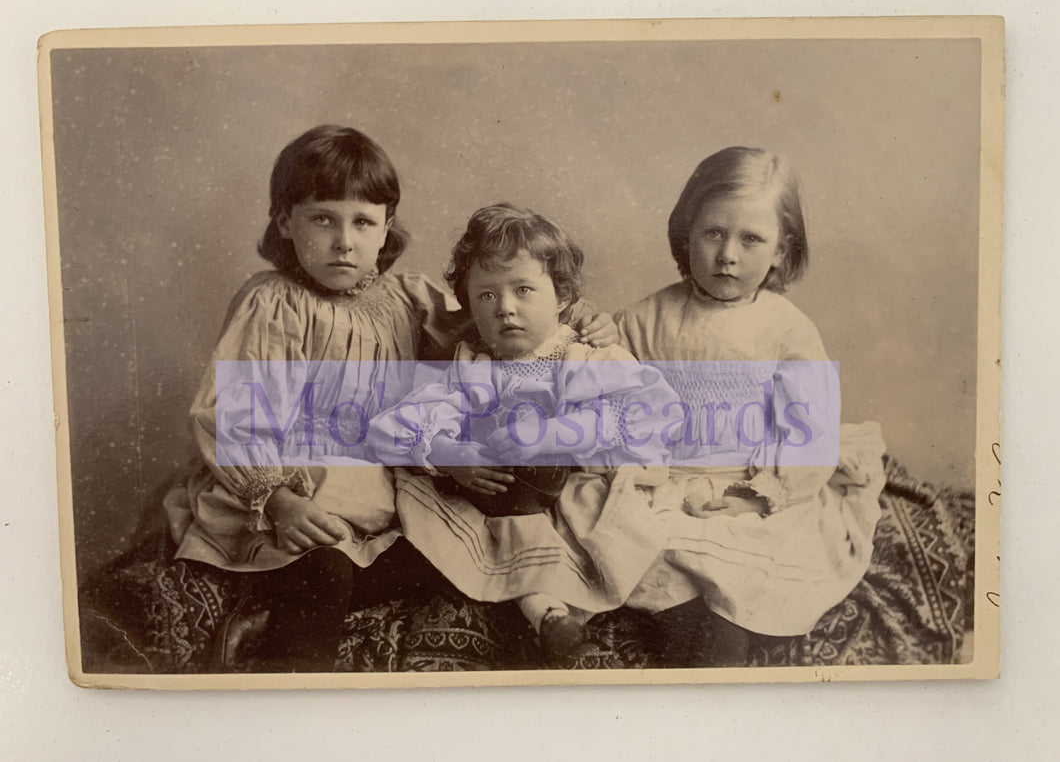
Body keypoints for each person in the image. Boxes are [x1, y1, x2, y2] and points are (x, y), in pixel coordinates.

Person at [162, 126, 617, 672]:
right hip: (295, 485)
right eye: (322, 218)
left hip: (383, 489)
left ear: (386, 229)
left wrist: (576, 318)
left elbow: (495, 325)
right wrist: (281, 501)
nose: (343, 241)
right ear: (285, 221)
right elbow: (234, 416)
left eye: (362, 222)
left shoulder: (406, 298)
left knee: (465, 550)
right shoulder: (273, 302)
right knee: (323, 567)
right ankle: (285, 681)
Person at [369, 203, 678, 660]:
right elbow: (398, 425)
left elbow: (656, 414)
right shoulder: (474, 364)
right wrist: (450, 455)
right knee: (442, 520)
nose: (505, 308)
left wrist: (557, 433)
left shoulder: (587, 357)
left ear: (563, 297)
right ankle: (547, 615)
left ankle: (549, 612)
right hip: (499, 497)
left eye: (523, 290)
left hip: (573, 490)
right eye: (486, 296)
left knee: (593, 524)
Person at [617, 146, 886, 667]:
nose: (728, 255)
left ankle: (721, 674)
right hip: (664, 487)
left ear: (782, 251)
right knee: (662, 574)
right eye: (713, 233)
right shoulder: (643, 320)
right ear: (685, 235)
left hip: (750, 489)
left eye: (751, 239)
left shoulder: (786, 329)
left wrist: (758, 497)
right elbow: (615, 411)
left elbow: (810, 435)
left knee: (737, 591)